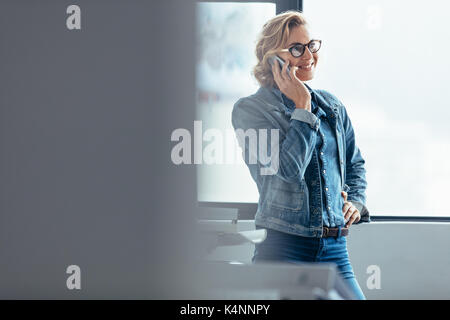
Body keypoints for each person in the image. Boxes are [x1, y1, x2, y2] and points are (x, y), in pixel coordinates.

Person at [231, 10, 370, 300]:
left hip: (335, 249)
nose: (309, 55)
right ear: (273, 59)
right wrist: (302, 106)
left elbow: (354, 162)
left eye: (312, 45)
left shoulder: (331, 105)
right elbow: (289, 169)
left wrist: (355, 200)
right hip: (283, 248)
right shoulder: (250, 111)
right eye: (296, 48)